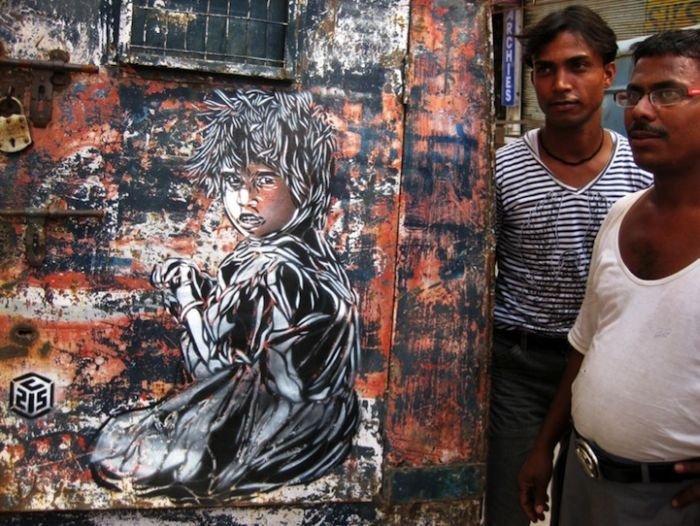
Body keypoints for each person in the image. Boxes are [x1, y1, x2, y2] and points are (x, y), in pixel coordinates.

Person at [91, 89, 361, 501]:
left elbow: (209, 368)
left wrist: (186, 299)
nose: (245, 196)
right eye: (234, 181)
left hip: (271, 436)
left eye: (264, 179)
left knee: (118, 448)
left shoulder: (270, 268)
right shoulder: (317, 259)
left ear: (305, 183)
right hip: (328, 431)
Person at [518, 28, 700, 525]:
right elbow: (587, 341)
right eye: (636, 94)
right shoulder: (621, 215)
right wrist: (545, 447)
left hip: (672, 499)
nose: (640, 110)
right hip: (585, 478)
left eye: (667, 93)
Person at [488, 6, 653, 525]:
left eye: (578, 66)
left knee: (598, 507)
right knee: (512, 503)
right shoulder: (503, 167)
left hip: (609, 365)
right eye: (545, 68)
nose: (560, 83)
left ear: (608, 74)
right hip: (520, 364)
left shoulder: (642, 171)